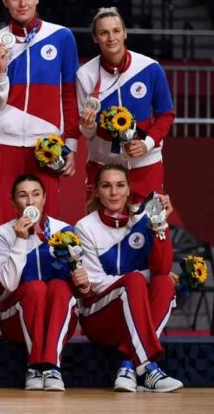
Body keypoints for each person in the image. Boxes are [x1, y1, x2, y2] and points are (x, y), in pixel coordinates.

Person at [0, 0, 79, 229]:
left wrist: (71, 144)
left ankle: (44, 272)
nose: (22, 4)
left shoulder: (61, 37)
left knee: (47, 225)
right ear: (5, 1)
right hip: (2, 143)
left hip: (45, 146)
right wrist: (1, 70)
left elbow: (69, 95)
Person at [75, 163, 183, 392]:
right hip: (100, 318)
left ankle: (128, 365)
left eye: (119, 185)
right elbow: (95, 282)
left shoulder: (145, 219)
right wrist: (139, 277)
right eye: (106, 186)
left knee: (164, 283)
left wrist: (160, 224)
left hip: (134, 314)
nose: (114, 192)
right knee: (134, 281)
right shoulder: (85, 227)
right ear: (96, 191)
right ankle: (148, 368)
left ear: (128, 189)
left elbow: (162, 269)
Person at [0, 174, 88, 391]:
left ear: (45, 198)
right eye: (23, 196)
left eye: (36, 195)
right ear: (13, 202)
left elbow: (78, 287)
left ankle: (49, 367)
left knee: (59, 286)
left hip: (57, 318)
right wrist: (20, 240)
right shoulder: (3, 233)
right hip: (15, 318)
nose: (30, 201)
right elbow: (8, 284)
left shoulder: (64, 231)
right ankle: (37, 365)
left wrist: (83, 280)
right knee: (35, 288)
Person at [77, 7, 175, 203]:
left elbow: (166, 115)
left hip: (145, 164)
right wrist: (88, 127)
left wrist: (146, 144)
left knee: (149, 228)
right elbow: (86, 131)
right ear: (95, 38)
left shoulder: (150, 68)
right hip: (102, 166)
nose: (111, 38)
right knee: (100, 229)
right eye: (103, 33)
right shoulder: (85, 75)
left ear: (125, 33)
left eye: (116, 31)